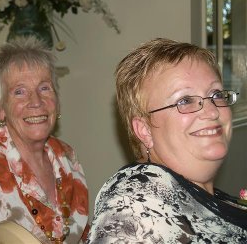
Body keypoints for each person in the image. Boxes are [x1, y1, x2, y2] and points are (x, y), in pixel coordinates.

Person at [87, 38, 247, 243]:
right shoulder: (136, 205)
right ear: (144, 130)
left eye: (216, 94)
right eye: (185, 100)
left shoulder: (204, 199)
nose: (212, 111)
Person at [0, 36, 89, 243]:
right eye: (19, 92)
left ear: (57, 101)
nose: (36, 101)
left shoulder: (67, 156)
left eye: (44, 88)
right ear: (0, 108)